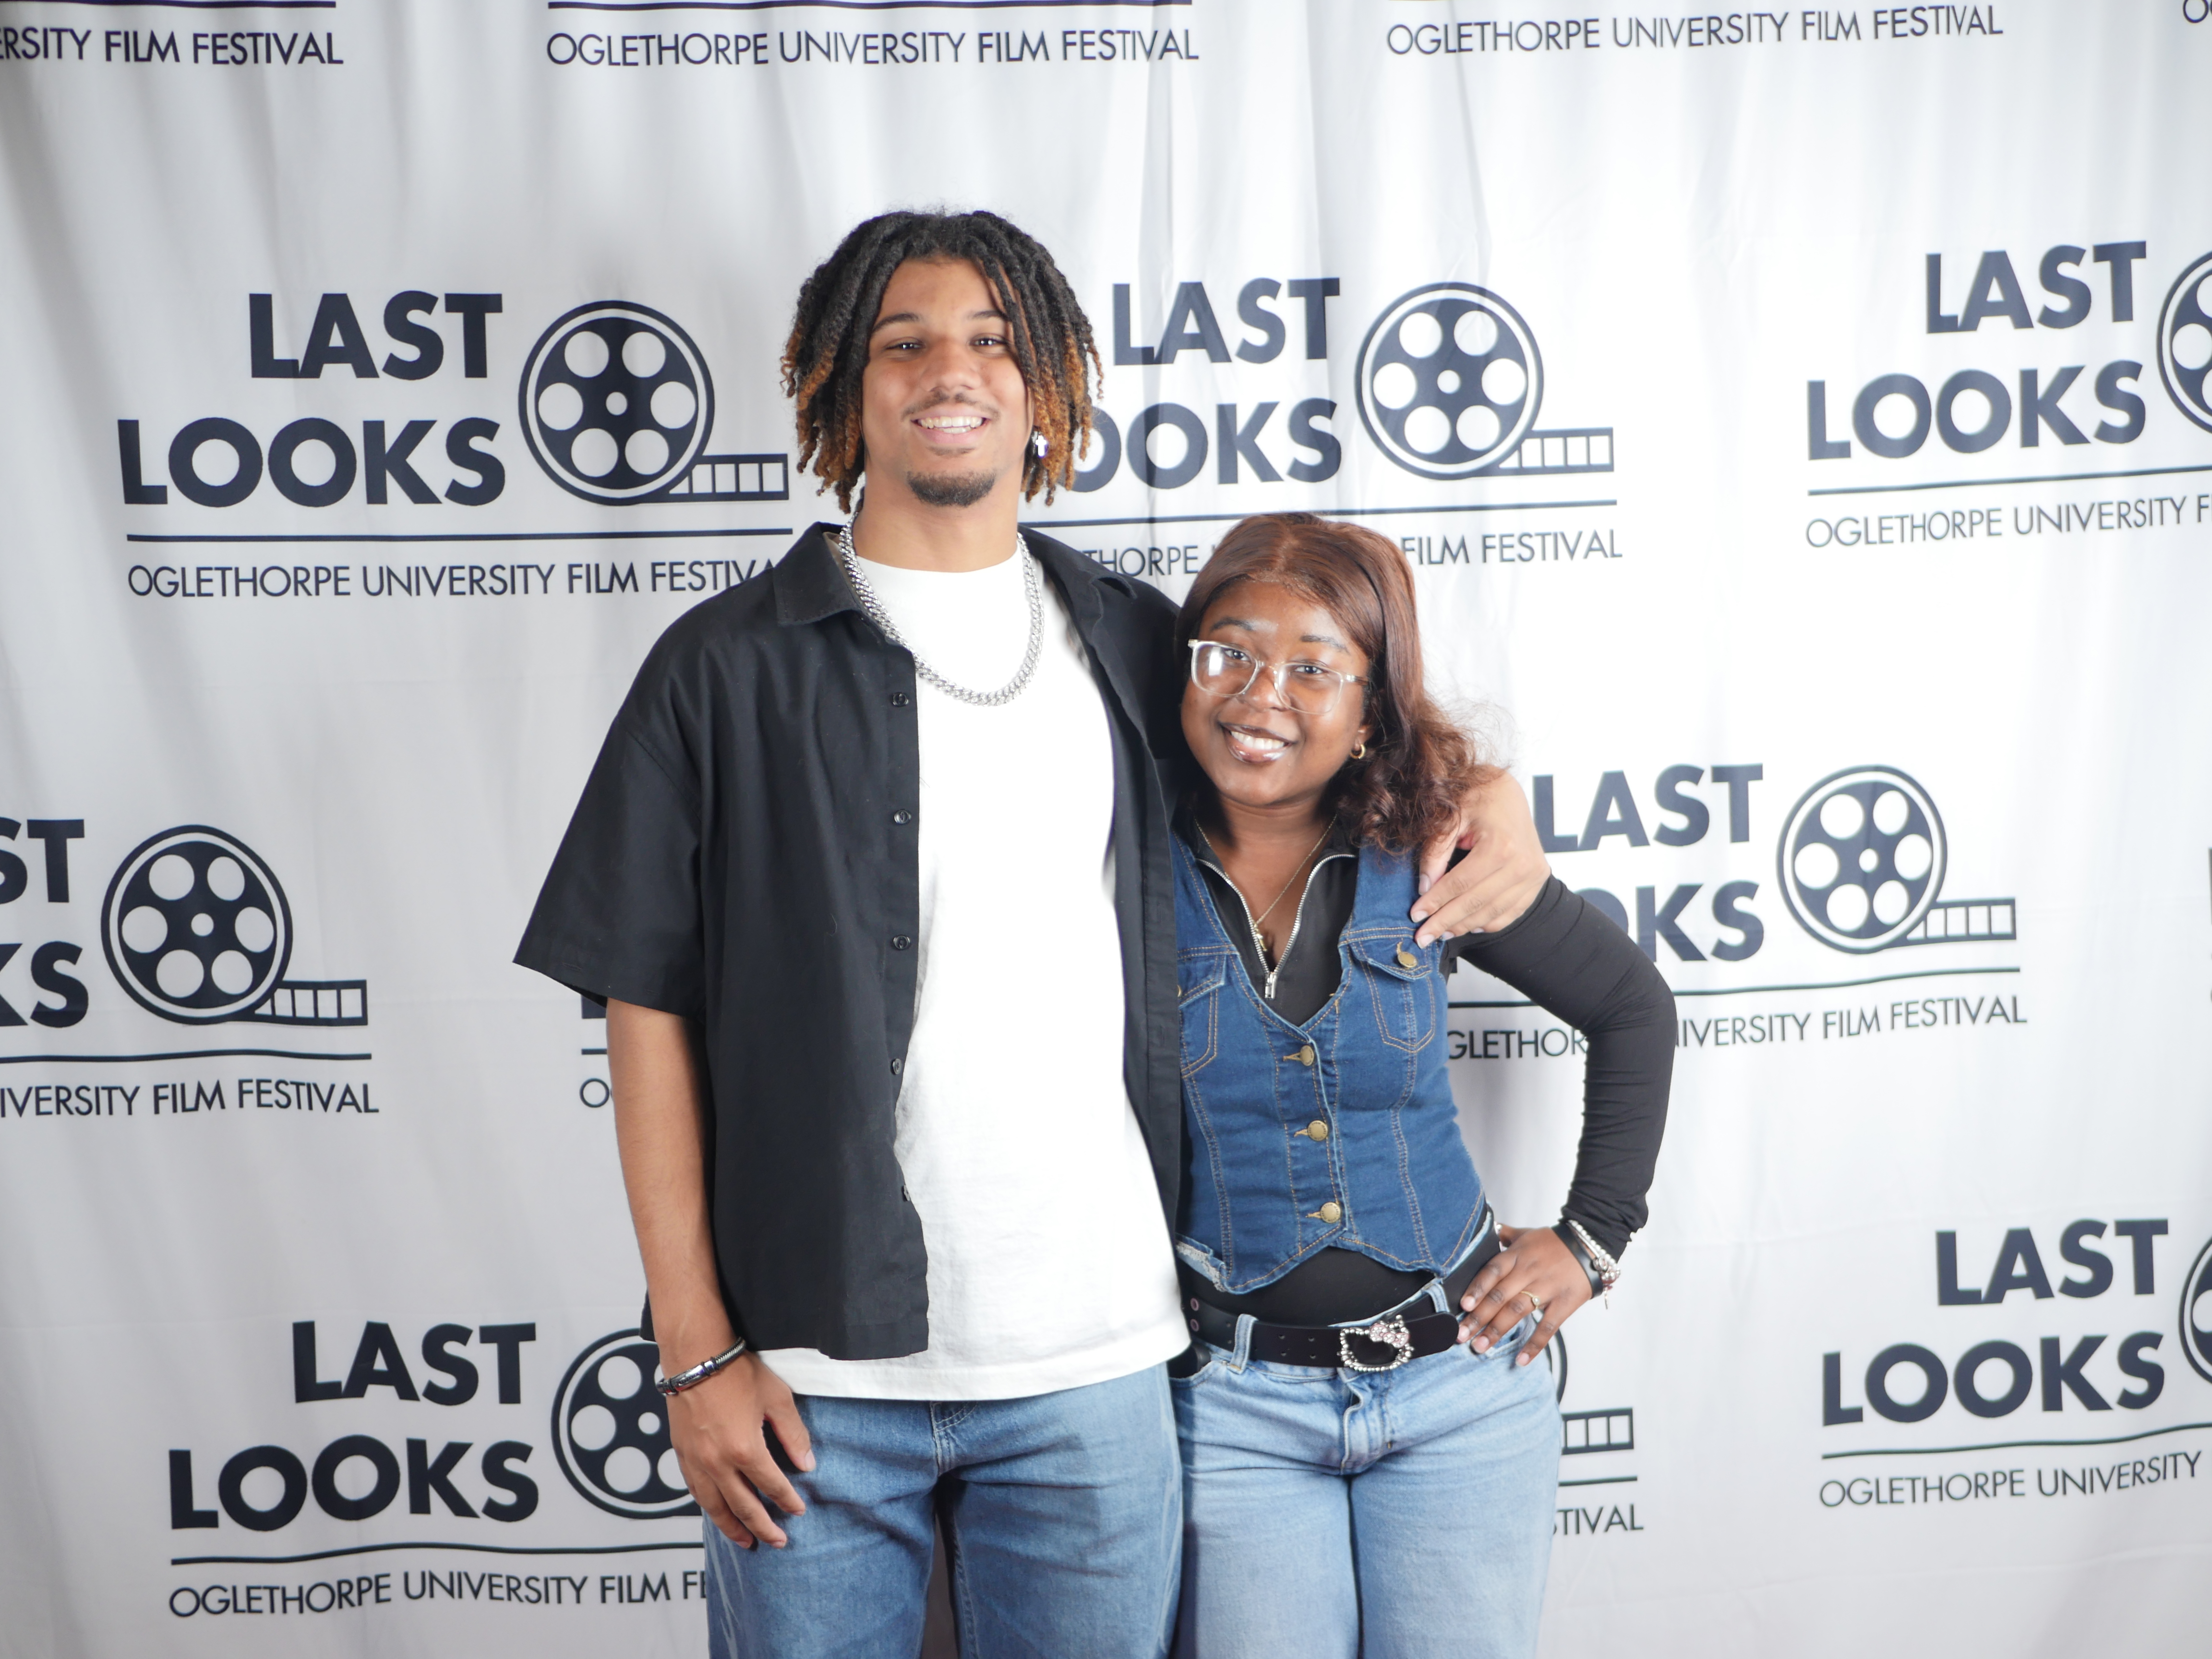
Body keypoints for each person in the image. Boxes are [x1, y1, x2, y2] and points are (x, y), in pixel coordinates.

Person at [515, 211, 1549, 1658]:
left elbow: (1329, 756)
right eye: (905, 341)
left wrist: (1493, 799)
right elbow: (647, 1012)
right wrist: (694, 1351)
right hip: (809, 1382)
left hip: (1102, 1368)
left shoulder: (1138, 644)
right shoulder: (724, 668)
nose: (953, 371)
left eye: (995, 342)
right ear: (841, 386)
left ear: (1048, 383)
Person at [1165, 513, 1673, 1659]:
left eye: (1313, 668)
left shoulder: (1434, 852)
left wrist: (1593, 1240)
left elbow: (1633, 1007)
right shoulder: (1124, 865)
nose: (1260, 695)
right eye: (1228, 652)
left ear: (1369, 714)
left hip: (1462, 1390)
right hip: (1229, 1409)